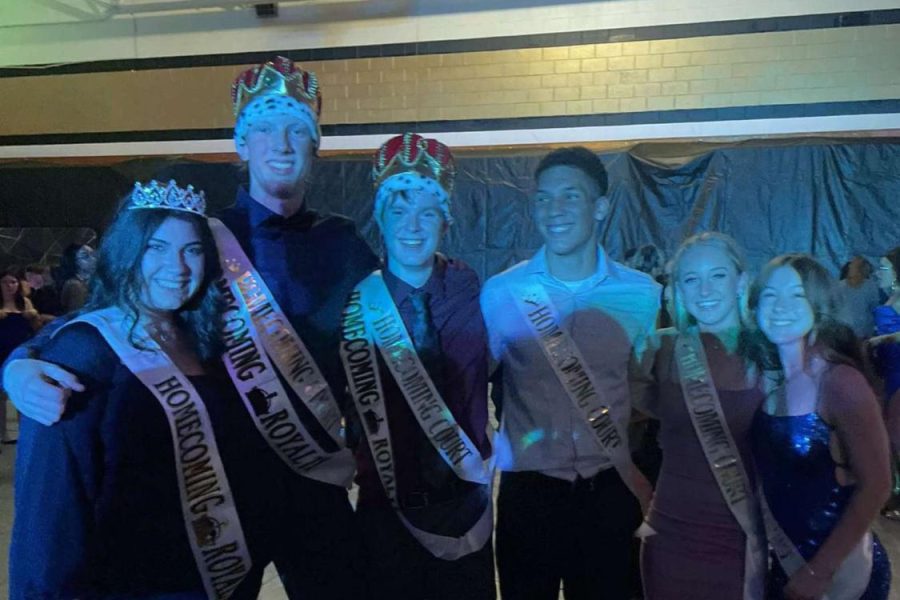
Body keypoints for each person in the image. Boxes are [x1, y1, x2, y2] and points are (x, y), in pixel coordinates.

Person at [3, 56, 377, 598]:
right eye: (265, 128)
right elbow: (120, 312)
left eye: (299, 128)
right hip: (221, 486)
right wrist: (18, 362)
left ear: (316, 145)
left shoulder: (345, 243)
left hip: (316, 479)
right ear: (241, 146)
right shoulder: (202, 235)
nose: (282, 142)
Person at [10, 180, 282, 599]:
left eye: (191, 250)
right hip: (131, 585)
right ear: (126, 252)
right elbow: (50, 517)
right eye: (156, 247)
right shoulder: (85, 350)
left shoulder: (205, 341)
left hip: (216, 578)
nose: (178, 267)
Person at [481, 146, 660, 599]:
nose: (553, 211)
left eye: (570, 197)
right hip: (529, 497)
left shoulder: (643, 296)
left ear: (600, 206)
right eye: (543, 198)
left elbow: (649, 394)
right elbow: (464, 383)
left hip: (610, 494)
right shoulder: (503, 292)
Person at [340, 133, 495, 599]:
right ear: (380, 220)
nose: (413, 225)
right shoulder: (354, 303)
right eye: (398, 209)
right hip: (385, 507)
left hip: (465, 501)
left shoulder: (469, 288)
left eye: (428, 211)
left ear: (444, 222)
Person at [746, 253, 891, 600]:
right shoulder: (772, 382)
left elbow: (878, 485)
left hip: (838, 572)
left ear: (818, 306)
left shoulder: (840, 381)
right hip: (784, 563)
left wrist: (819, 570)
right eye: (770, 296)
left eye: (796, 295)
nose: (781, 306)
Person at [639, 232, 766, 600]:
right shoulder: (659, 348)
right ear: (676, 289)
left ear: (742, 281)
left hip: (743, 535)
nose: (705, 290)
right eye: (691, 279)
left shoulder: (770, 352)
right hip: (669, 534)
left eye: (718, 275)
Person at [0, 267, 39, 445]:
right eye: (6, 282)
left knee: (21, 390)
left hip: (20, 350)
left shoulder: (24, 302)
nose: (10, 286)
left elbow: (35, 325)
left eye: (13, 282)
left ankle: (24, 430)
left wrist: (32, 315)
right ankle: (3, 432)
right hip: (1, 349)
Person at [837, 256, 880, 339]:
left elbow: (875, 308)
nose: (850, 266)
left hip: (866, 333)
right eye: (851, 265)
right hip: (845, 334)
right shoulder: (838, 287)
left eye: (854, 265)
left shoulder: (870, 286)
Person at [57, 243, 96, 313]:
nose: (93, 259)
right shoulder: (75, 285)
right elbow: (76, 315)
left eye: (93, 255)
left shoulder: (92, 282)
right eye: (86, 256)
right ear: (74, 261)